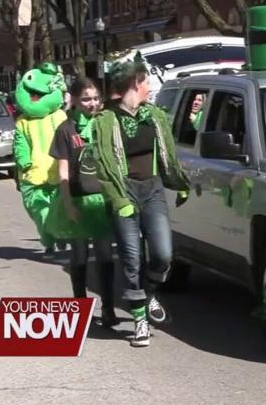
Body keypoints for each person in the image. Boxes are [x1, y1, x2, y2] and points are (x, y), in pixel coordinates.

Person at [93, 56, 190, 347]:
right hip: (125, 192)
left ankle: (149, 295)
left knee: (162, 254)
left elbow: (169, 155)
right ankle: (139, 321)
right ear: (135, 83)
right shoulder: (106, 120)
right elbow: (103, 164)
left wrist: (180, 182)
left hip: (153, 190)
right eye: (146, 81)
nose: (150, 87)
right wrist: (117, 198)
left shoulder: (155, 115)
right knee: (132, 259)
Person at [46, 77, 117, 328]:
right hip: (77, 199)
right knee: (79, 256)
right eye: (86, 98)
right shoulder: (66, 129)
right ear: (74, 100)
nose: (92, 103)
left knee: (106, 256)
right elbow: (63, 170)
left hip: (103, 199)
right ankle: (79, 308)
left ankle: (108, 308)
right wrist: (67, 203)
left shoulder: (105, 124)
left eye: (96, 98)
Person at [13, 63, 68, 258]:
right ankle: (50, 241)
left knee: (56, 211)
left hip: (57, 174)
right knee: (40, 213)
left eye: (40, 95)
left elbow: (67, 139)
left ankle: (56, 238)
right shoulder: (22, 122)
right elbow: (20, 145)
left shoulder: (59, 116)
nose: (35, 98)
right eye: (33, 95)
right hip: (33, 177)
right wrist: (24, 162)